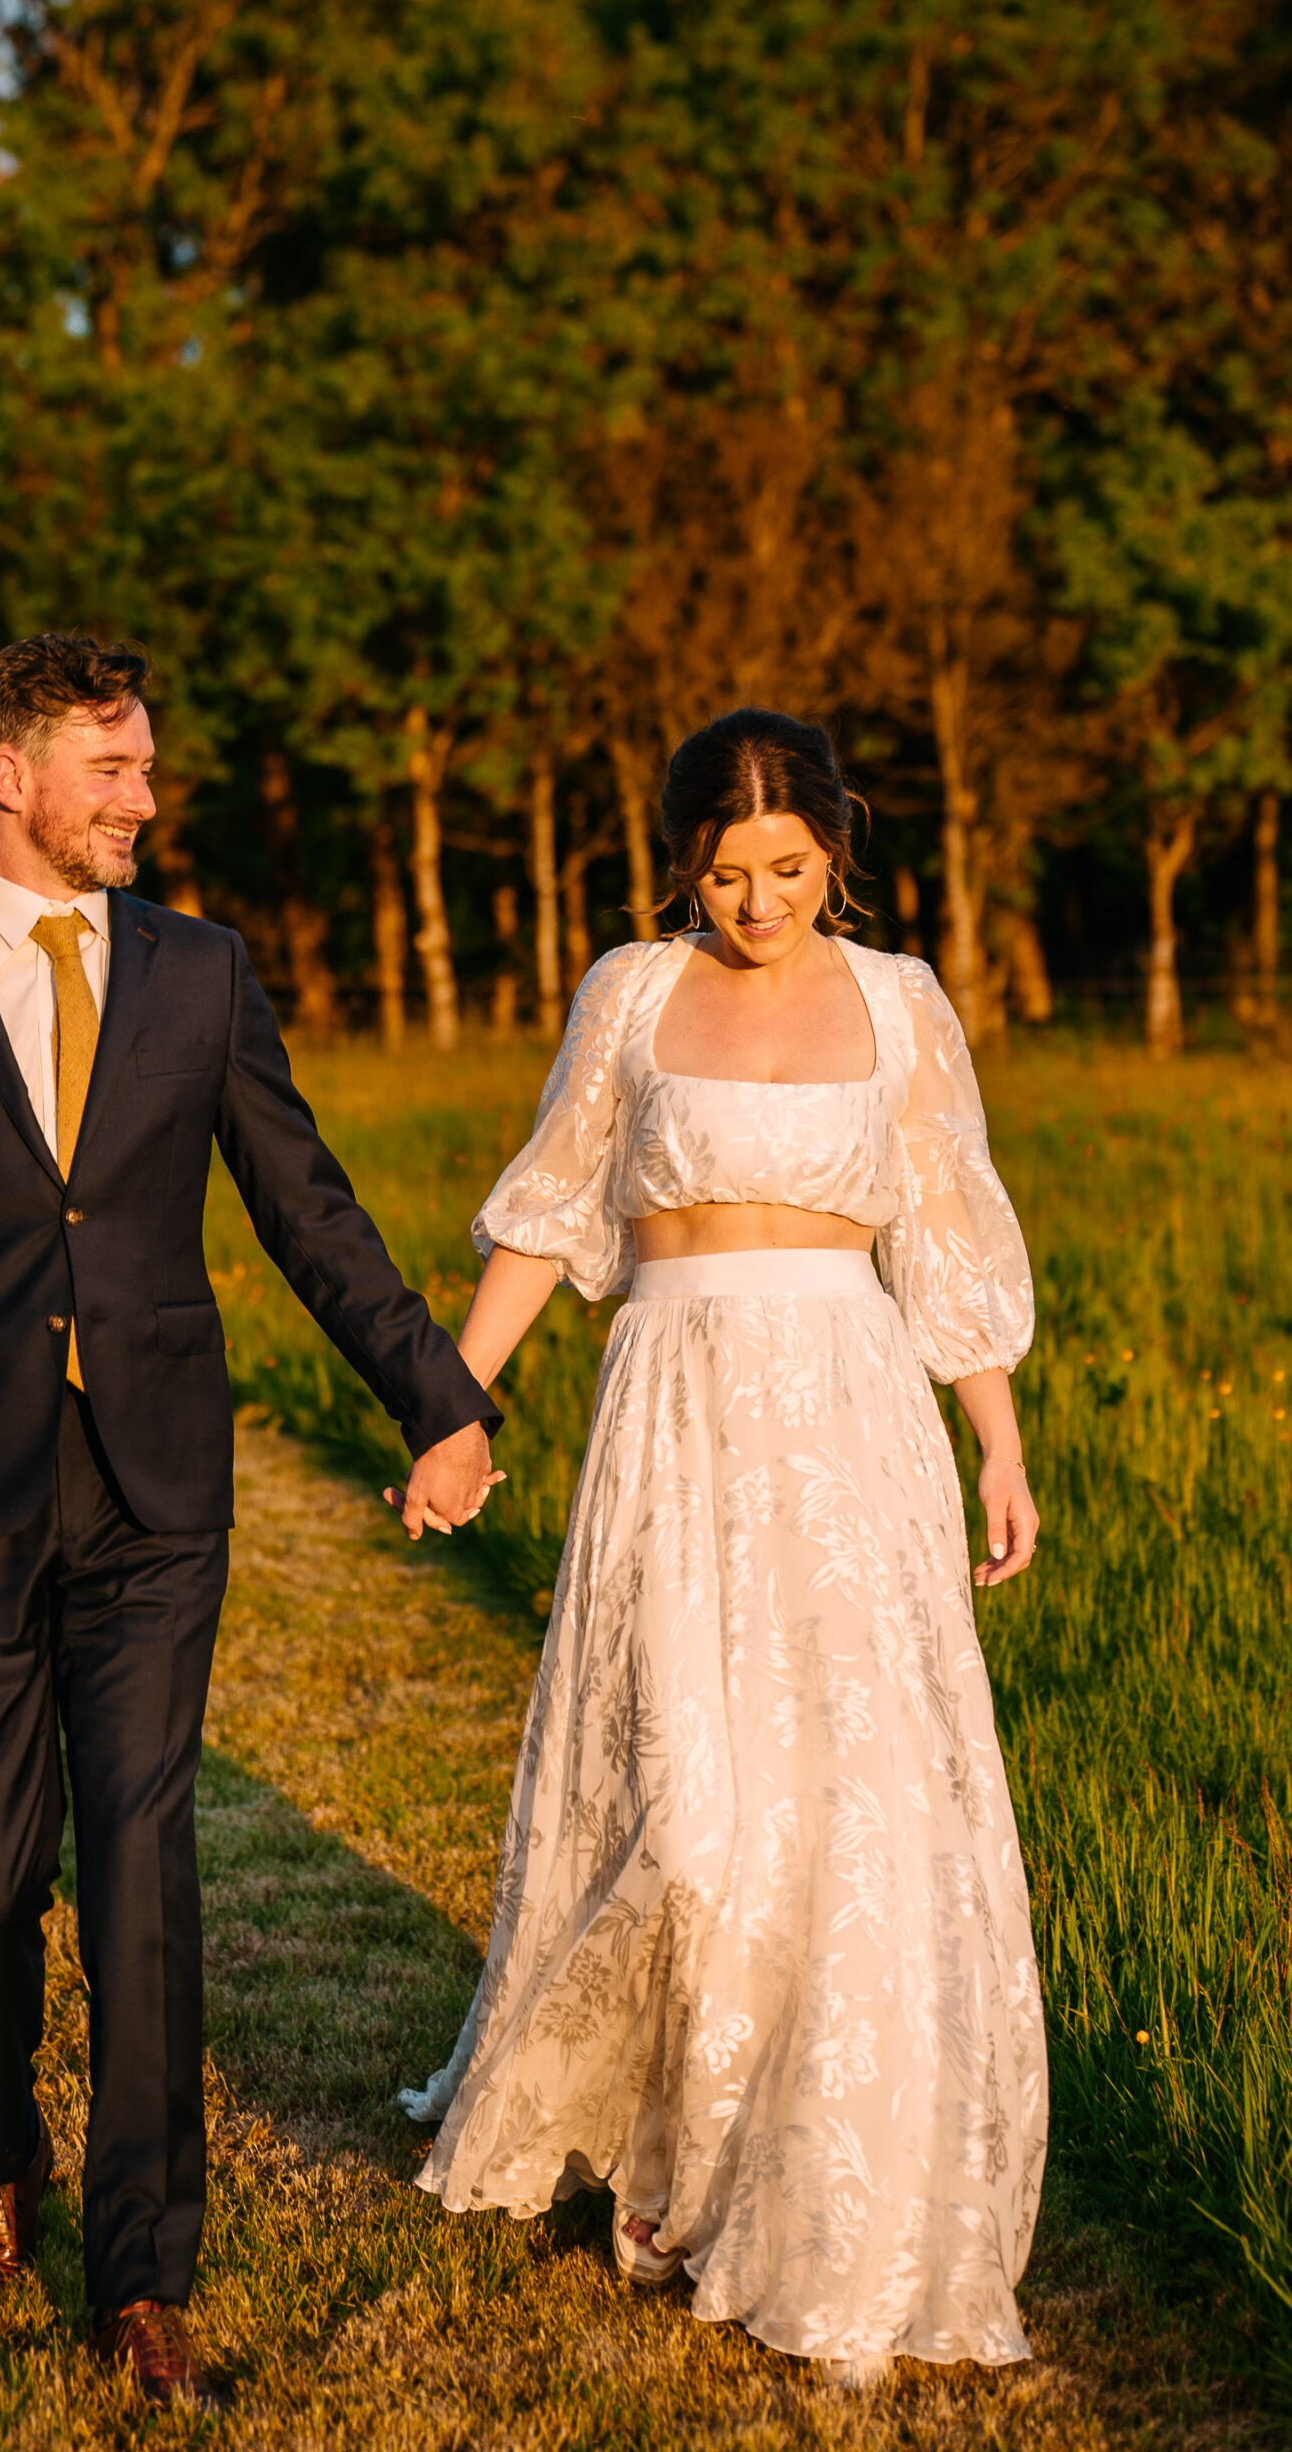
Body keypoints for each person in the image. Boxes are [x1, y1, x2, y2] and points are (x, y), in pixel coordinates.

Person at [0, 631, 502, 2408]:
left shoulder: (202, 973)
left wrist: (440, 1393)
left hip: (160, 1486)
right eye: (114, 770)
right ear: (12, 775)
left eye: (150, 767)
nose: (147, 799)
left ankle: (140, 2277)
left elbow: (304, 1205)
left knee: (142, 1870)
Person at [401, 708, 1044, 2389]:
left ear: (835, 848)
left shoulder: (903, 1005)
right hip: (673, 1417)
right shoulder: (629, 991)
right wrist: (453, 1407)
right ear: (682, 865)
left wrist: (998, 1447)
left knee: (844, 1811)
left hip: (851, 1428)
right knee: (688, 1805)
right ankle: (664, 2143)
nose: (757, 903)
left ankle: (787, 2176)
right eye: (725, 872)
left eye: (788, 870)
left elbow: (952, 1230)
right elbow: (551, 1207)